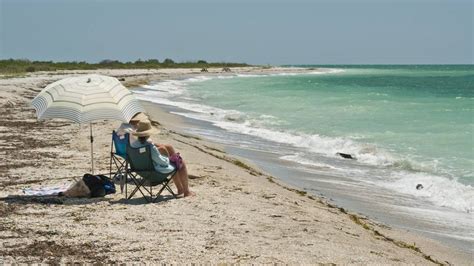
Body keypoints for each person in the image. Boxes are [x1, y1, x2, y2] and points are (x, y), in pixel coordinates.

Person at [131, 120, 195, 197]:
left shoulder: (133, 145)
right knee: (180, 162)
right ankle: (186, 192)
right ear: (148, 133)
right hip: (154, 172)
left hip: (140, 170)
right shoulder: (150, 147)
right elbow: (163, 163)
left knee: (171, 152)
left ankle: (180, 189)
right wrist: (168, 158)